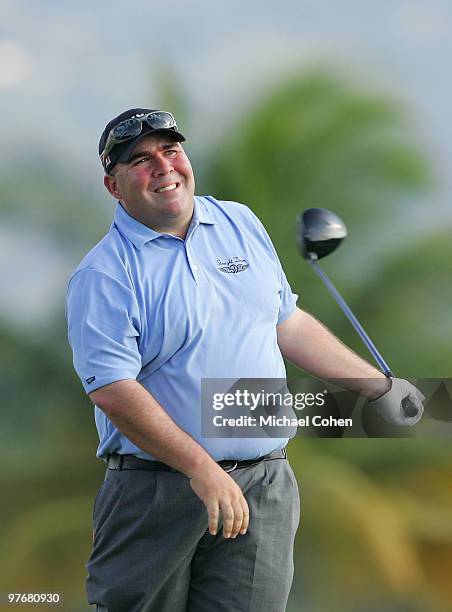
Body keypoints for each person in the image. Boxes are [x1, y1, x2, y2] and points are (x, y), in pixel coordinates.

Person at [66, 108, 424, 612]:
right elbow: (111, 388)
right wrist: (202, 469)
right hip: (156, 493)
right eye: (140, 161)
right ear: (114, 185)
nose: (163, 167)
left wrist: (376, 387)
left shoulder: (238, 222)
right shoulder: (104, 273)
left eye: (170, 151)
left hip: (263, 484)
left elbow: (286, 323)